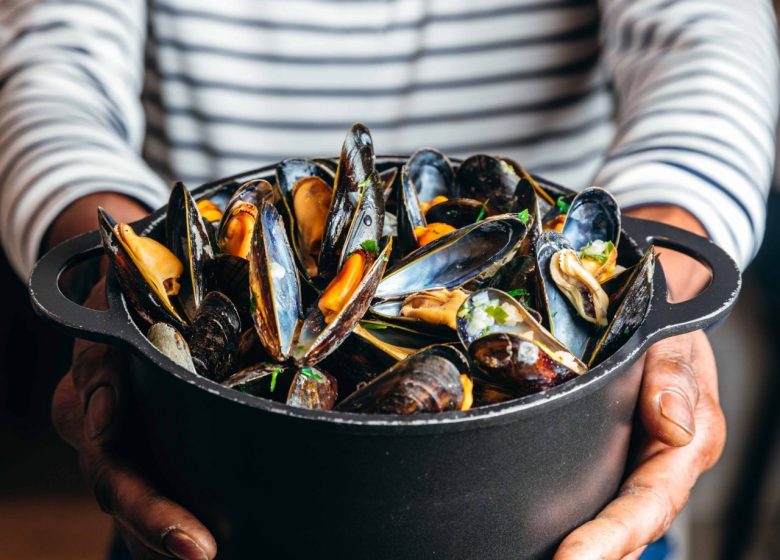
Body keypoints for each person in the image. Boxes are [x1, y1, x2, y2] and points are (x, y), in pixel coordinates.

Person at [1, 1, 776, 558]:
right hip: (214, 474)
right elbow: (48, 70)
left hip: (560, 481)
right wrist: (119, 284)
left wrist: (657, 291)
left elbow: (709, 40)